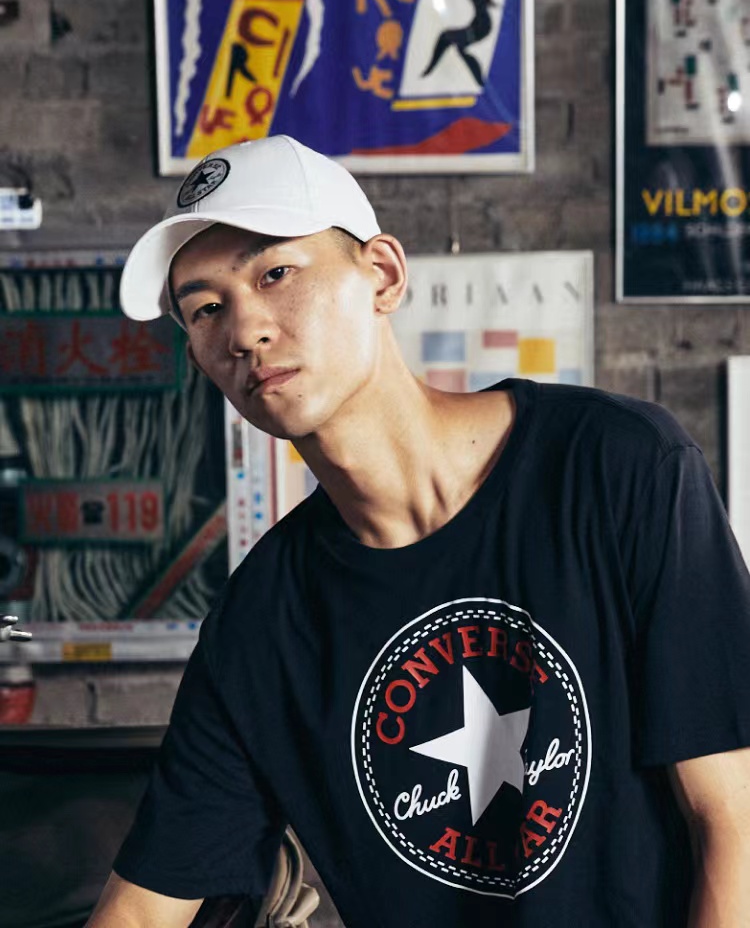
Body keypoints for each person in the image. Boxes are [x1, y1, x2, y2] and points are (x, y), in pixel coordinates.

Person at [88, 135, 750, 927]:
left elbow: (734, 818)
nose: (245, 330)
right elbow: (143, 908)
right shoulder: (261, 620)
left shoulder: (616, 466)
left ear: (383, 275)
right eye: (205, 308)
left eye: (275, 274)